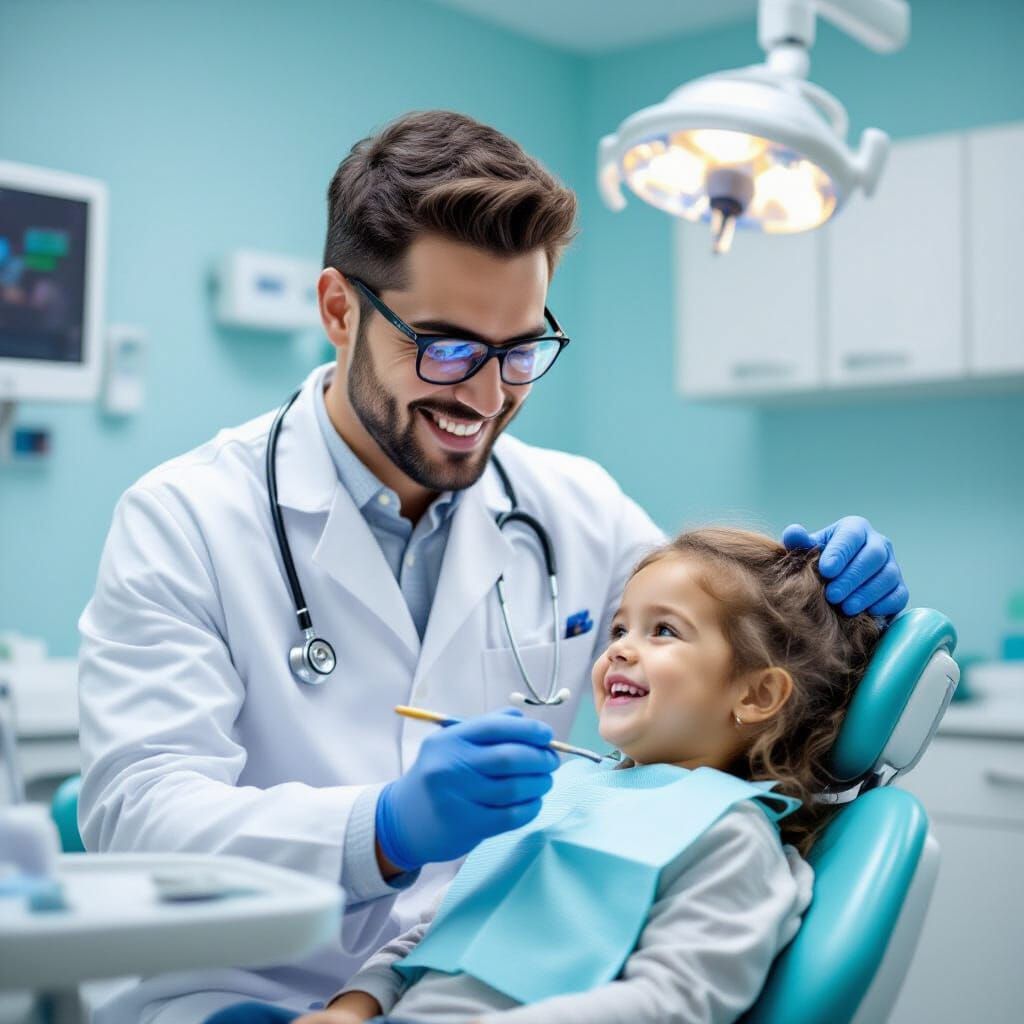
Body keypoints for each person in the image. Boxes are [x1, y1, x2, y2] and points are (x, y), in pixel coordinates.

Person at [78, 111, 908, 1023]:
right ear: (338, 310)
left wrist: (843, 619)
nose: (485, 393)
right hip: (242, 983)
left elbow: (744, 696)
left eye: (520, 350)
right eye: (446, 346)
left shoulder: (576, 507)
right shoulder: (188, 514)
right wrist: (383, 828)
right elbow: (137, 815)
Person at [204, 526, 885, 1024]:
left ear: (758, 696)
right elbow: (442, 927)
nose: (619, 648)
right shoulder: (567, 790)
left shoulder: (728, 838)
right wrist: (351, 1008)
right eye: (619, 627)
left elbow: (673, 1005)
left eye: (663, 632)